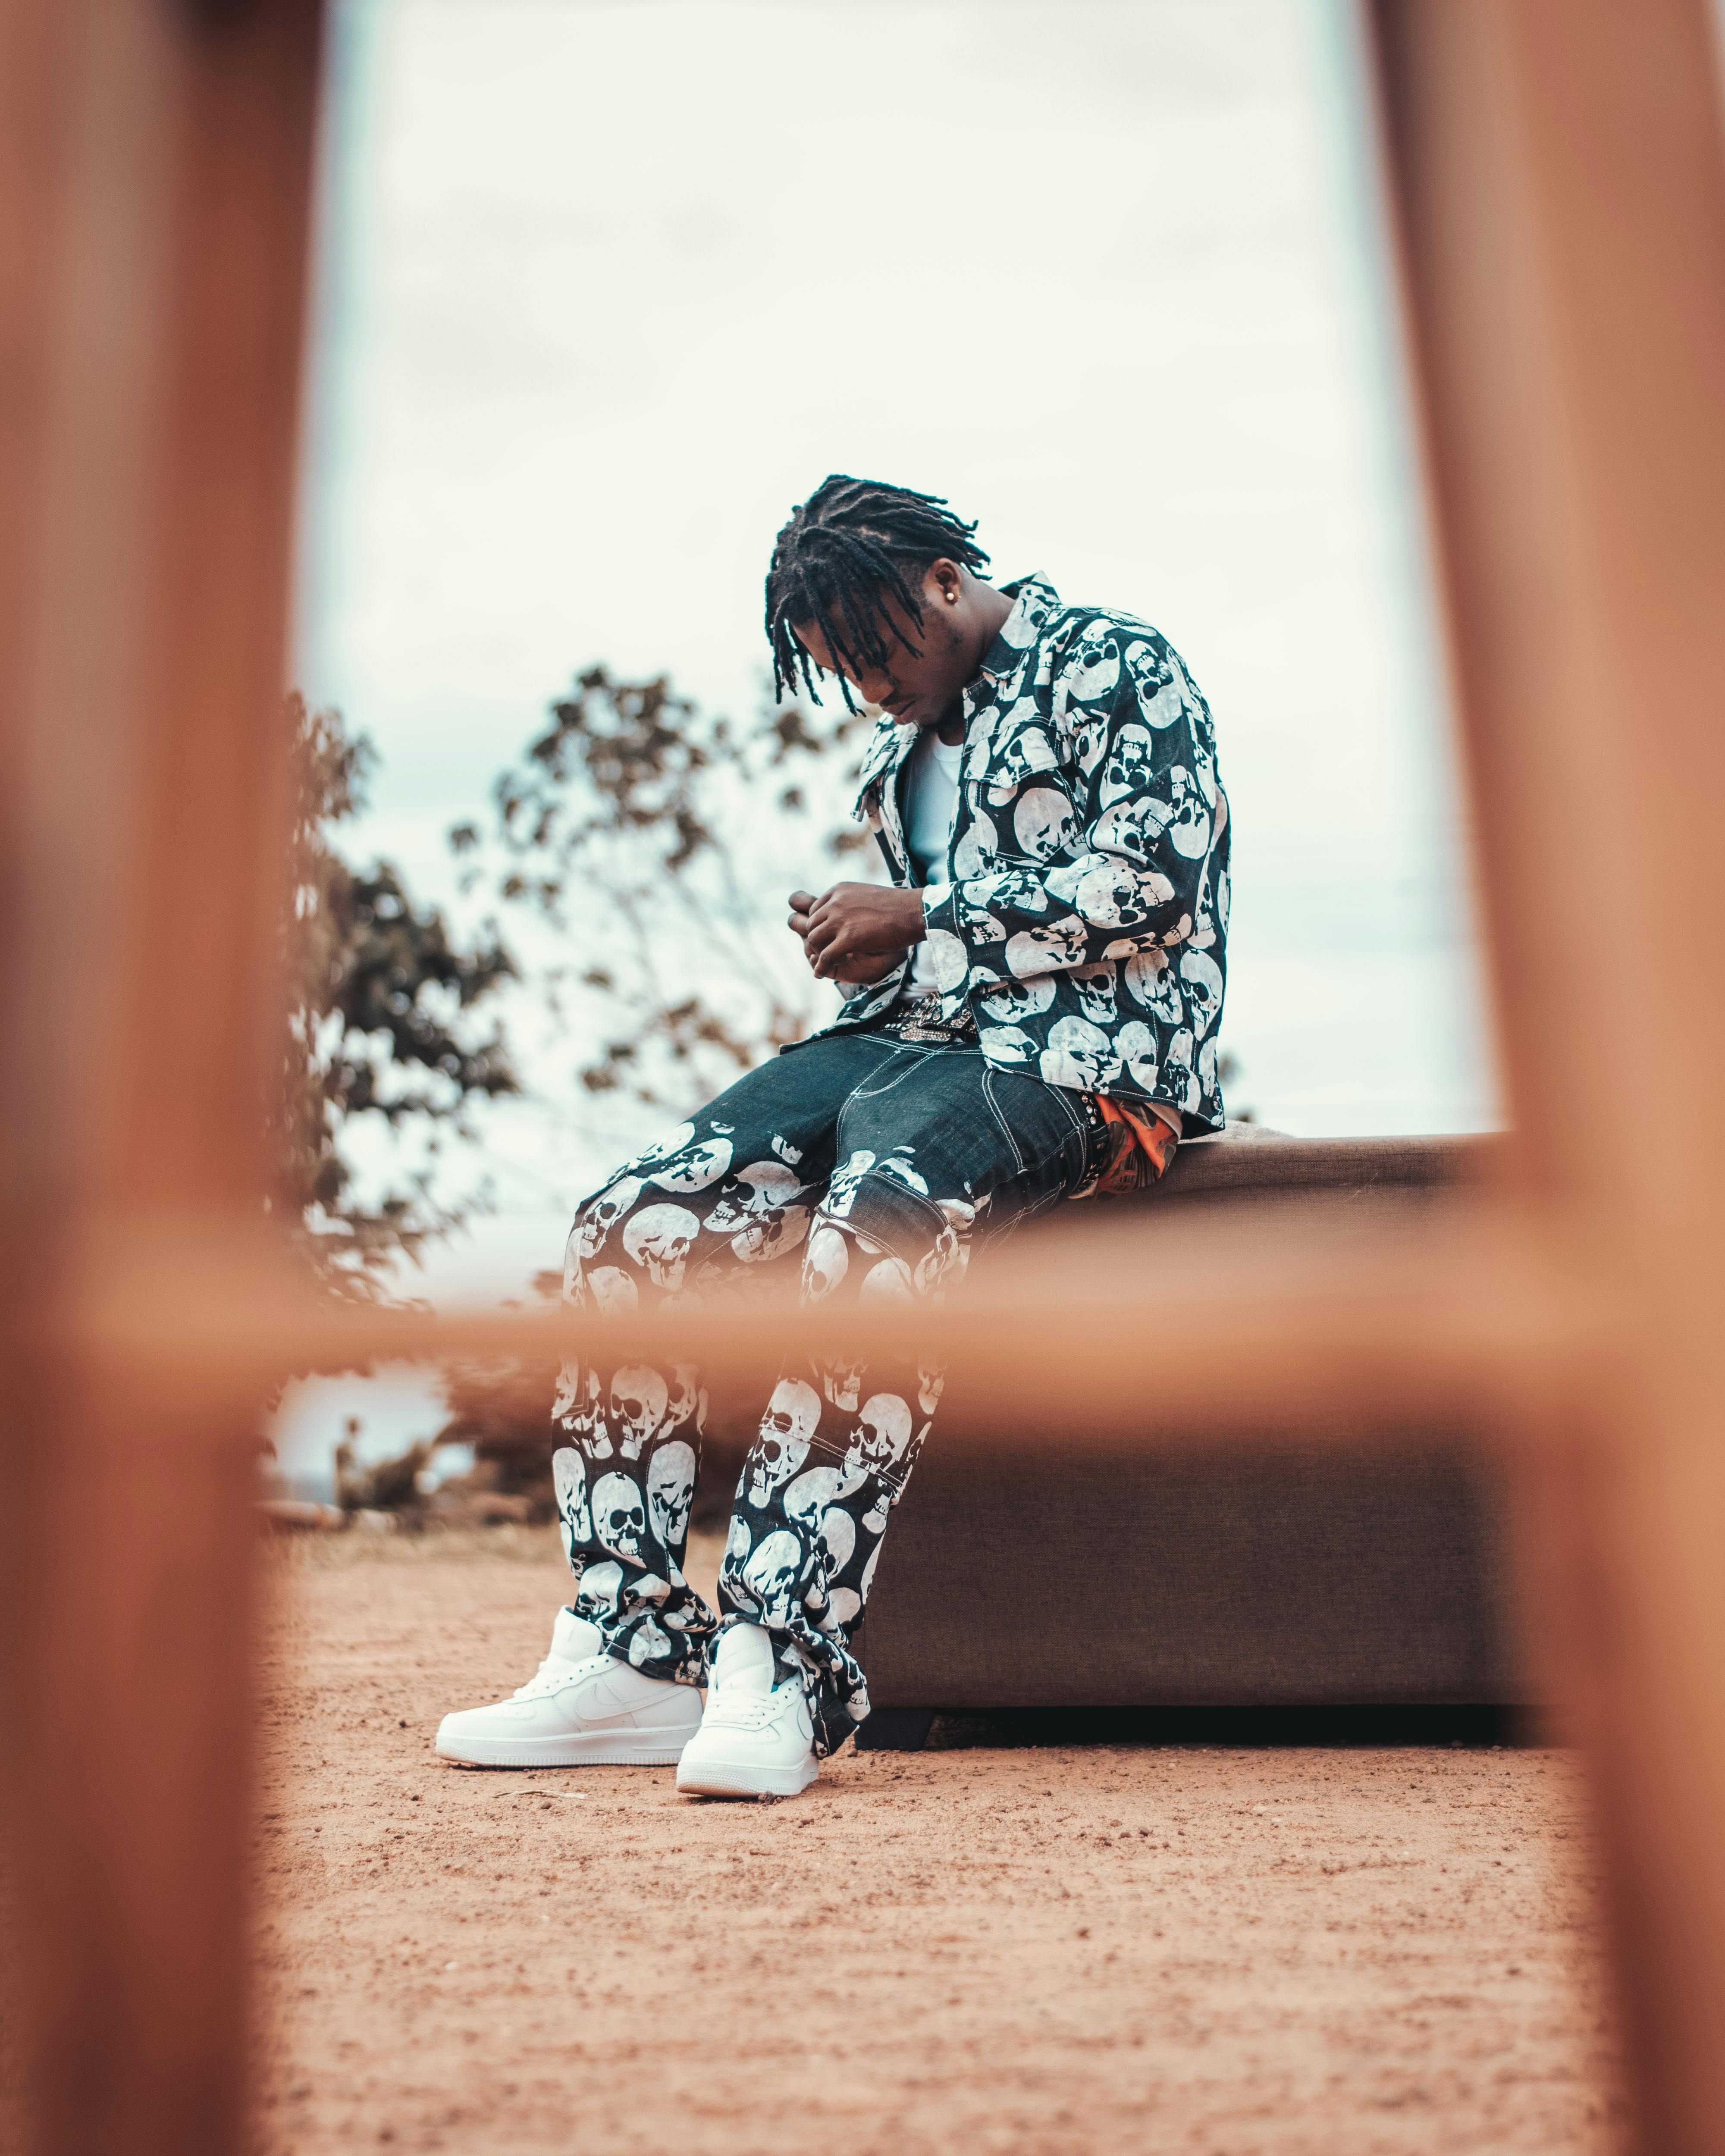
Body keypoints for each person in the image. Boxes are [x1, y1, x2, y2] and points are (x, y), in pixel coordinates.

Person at [435, 474, 1230, 1799]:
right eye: (835, 668)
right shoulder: (900, 747)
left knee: (880, 1221)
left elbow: (1153, 884)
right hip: (901, 1034)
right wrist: (863, 939)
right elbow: (934, 936)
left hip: (1087, 1058)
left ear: (942, 582)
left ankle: (777, 1661)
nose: (866, 687)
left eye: (873, 653)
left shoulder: (1117, 658)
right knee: (634, 1221)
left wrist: (921, 915)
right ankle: (632, 1653)